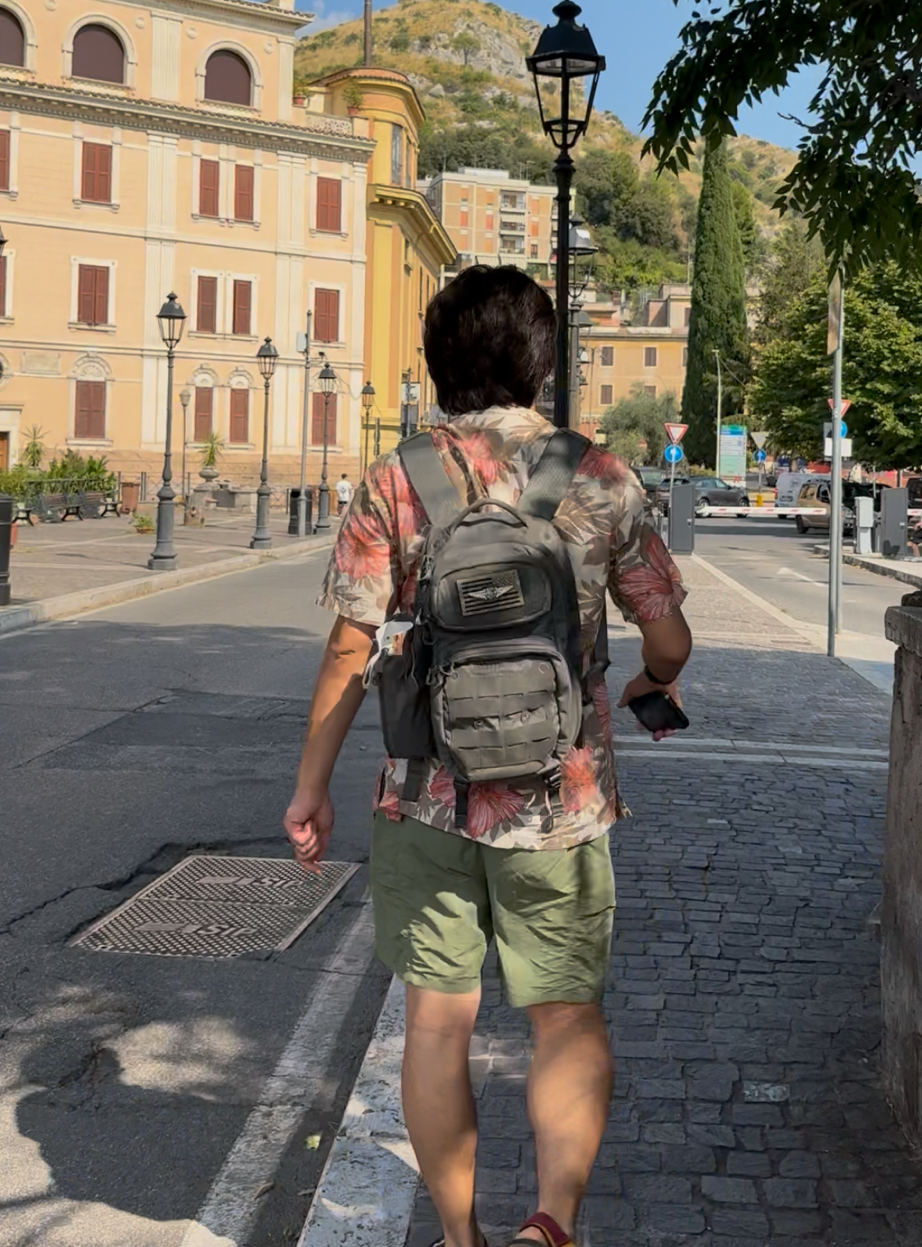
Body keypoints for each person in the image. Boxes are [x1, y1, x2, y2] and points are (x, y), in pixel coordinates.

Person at [283, 266, 692, 1247]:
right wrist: (649, 682)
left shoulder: (397, 478)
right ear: (542, 365)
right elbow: (669, 635)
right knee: (565, 1016)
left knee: (436, 1021)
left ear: (435, 364)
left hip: (426, 795)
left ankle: (460, 1236)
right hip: (561, 799)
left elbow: (348, 647)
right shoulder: (599, 477)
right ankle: (549, 1226)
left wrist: (310, 788)